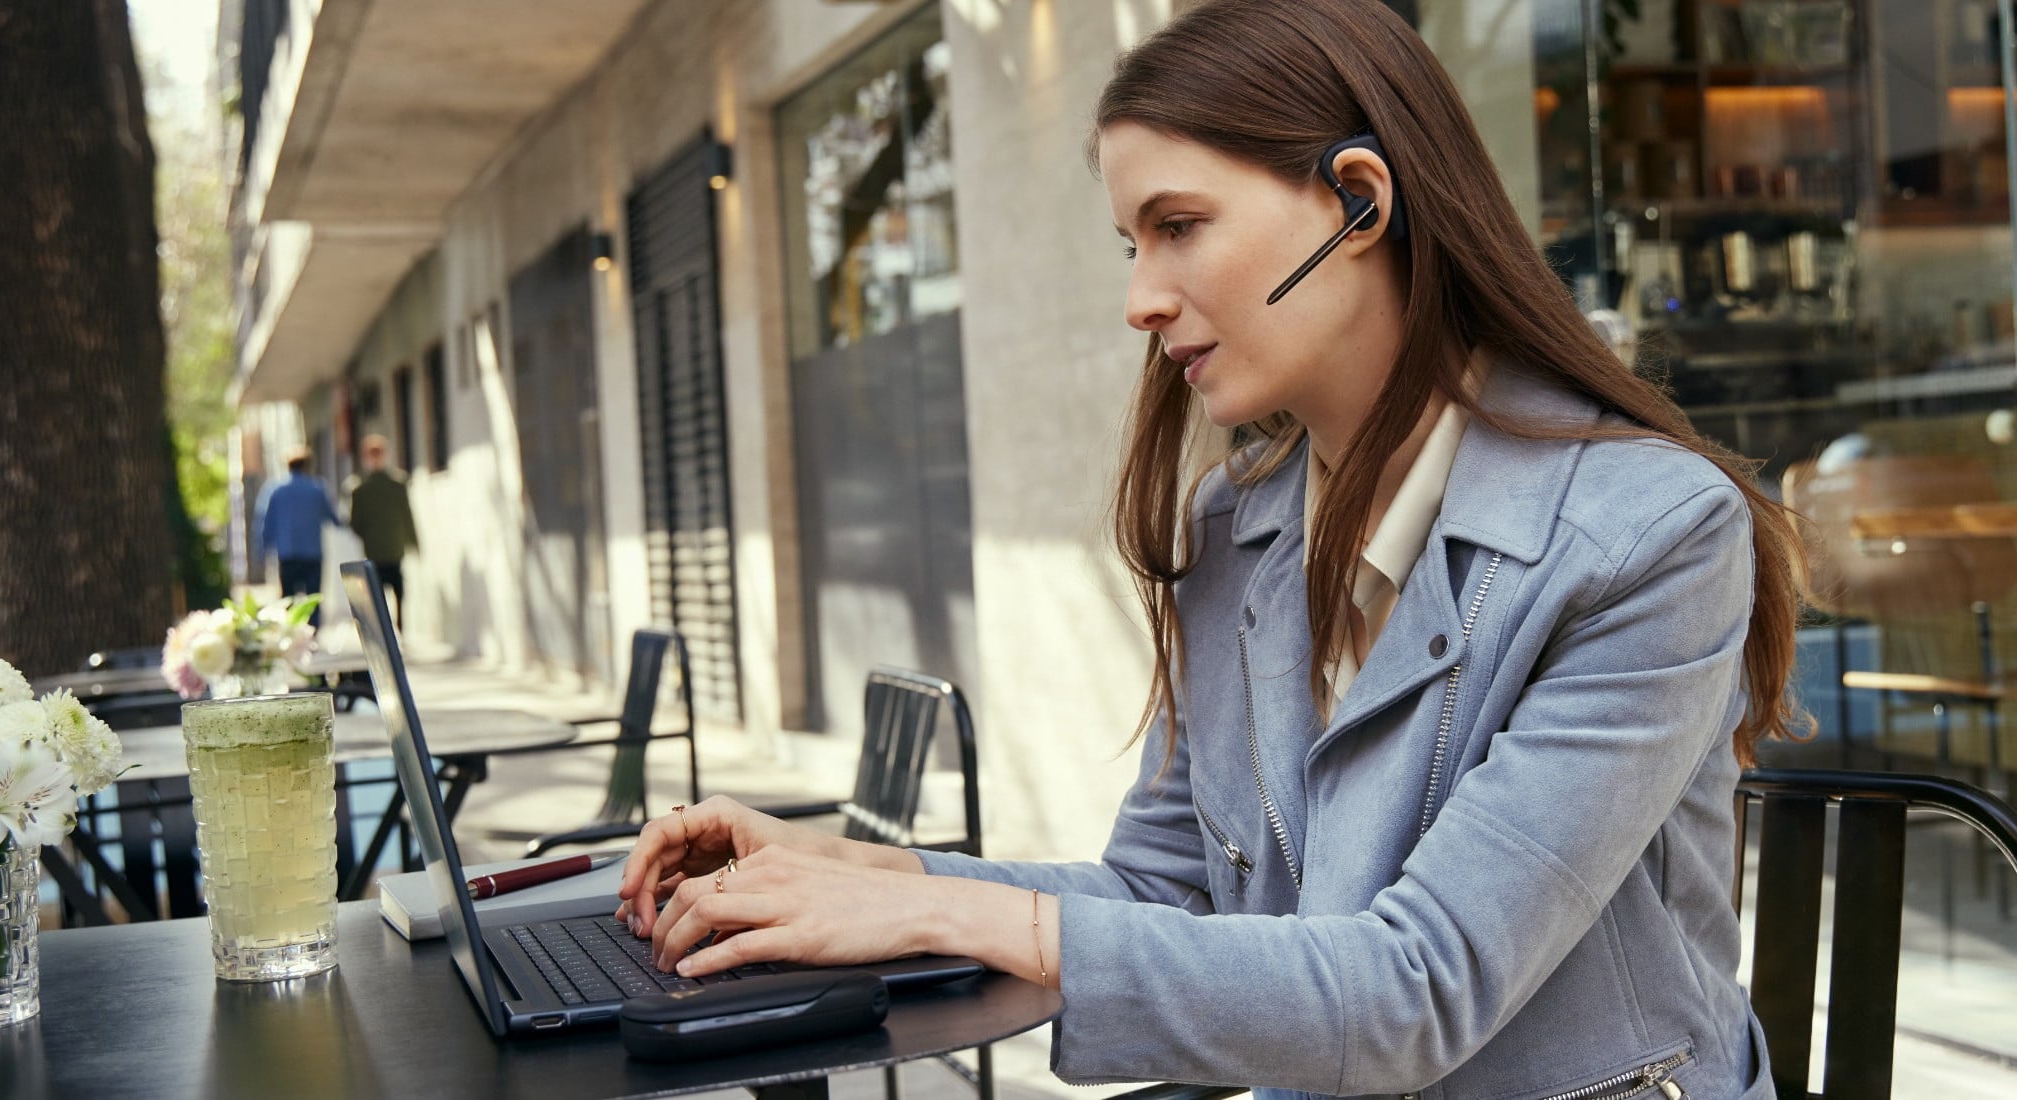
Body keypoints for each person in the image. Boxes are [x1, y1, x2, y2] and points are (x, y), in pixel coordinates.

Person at [613, 3, 1806, 1097]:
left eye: (1177, 227)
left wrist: (973, 920)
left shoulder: (1647, 536)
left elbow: (1415, 989)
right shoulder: (1233, 530)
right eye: (1130, 242)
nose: (1140, 296)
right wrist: (872, 881)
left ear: (1358, 200)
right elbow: (1161, 890)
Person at [347, 434, 420, 624]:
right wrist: (413, 541)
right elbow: (407, 515)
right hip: (392, 547)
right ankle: (398, 627)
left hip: (377, 548)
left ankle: (389, 626)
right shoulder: (394, 485)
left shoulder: (361, 489)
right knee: (396, 589)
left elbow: (355, 524)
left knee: (379, 592)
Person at [254, 446, 340, 606]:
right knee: (313, 602)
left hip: (288, 554)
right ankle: (313, 631)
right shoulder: (318, 489)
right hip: (312, 554)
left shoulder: (276, 491)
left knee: (289, 603)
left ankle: (293, 632)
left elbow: (266, 524)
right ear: (307, 466)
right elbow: (334, 519)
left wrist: (262, 552)